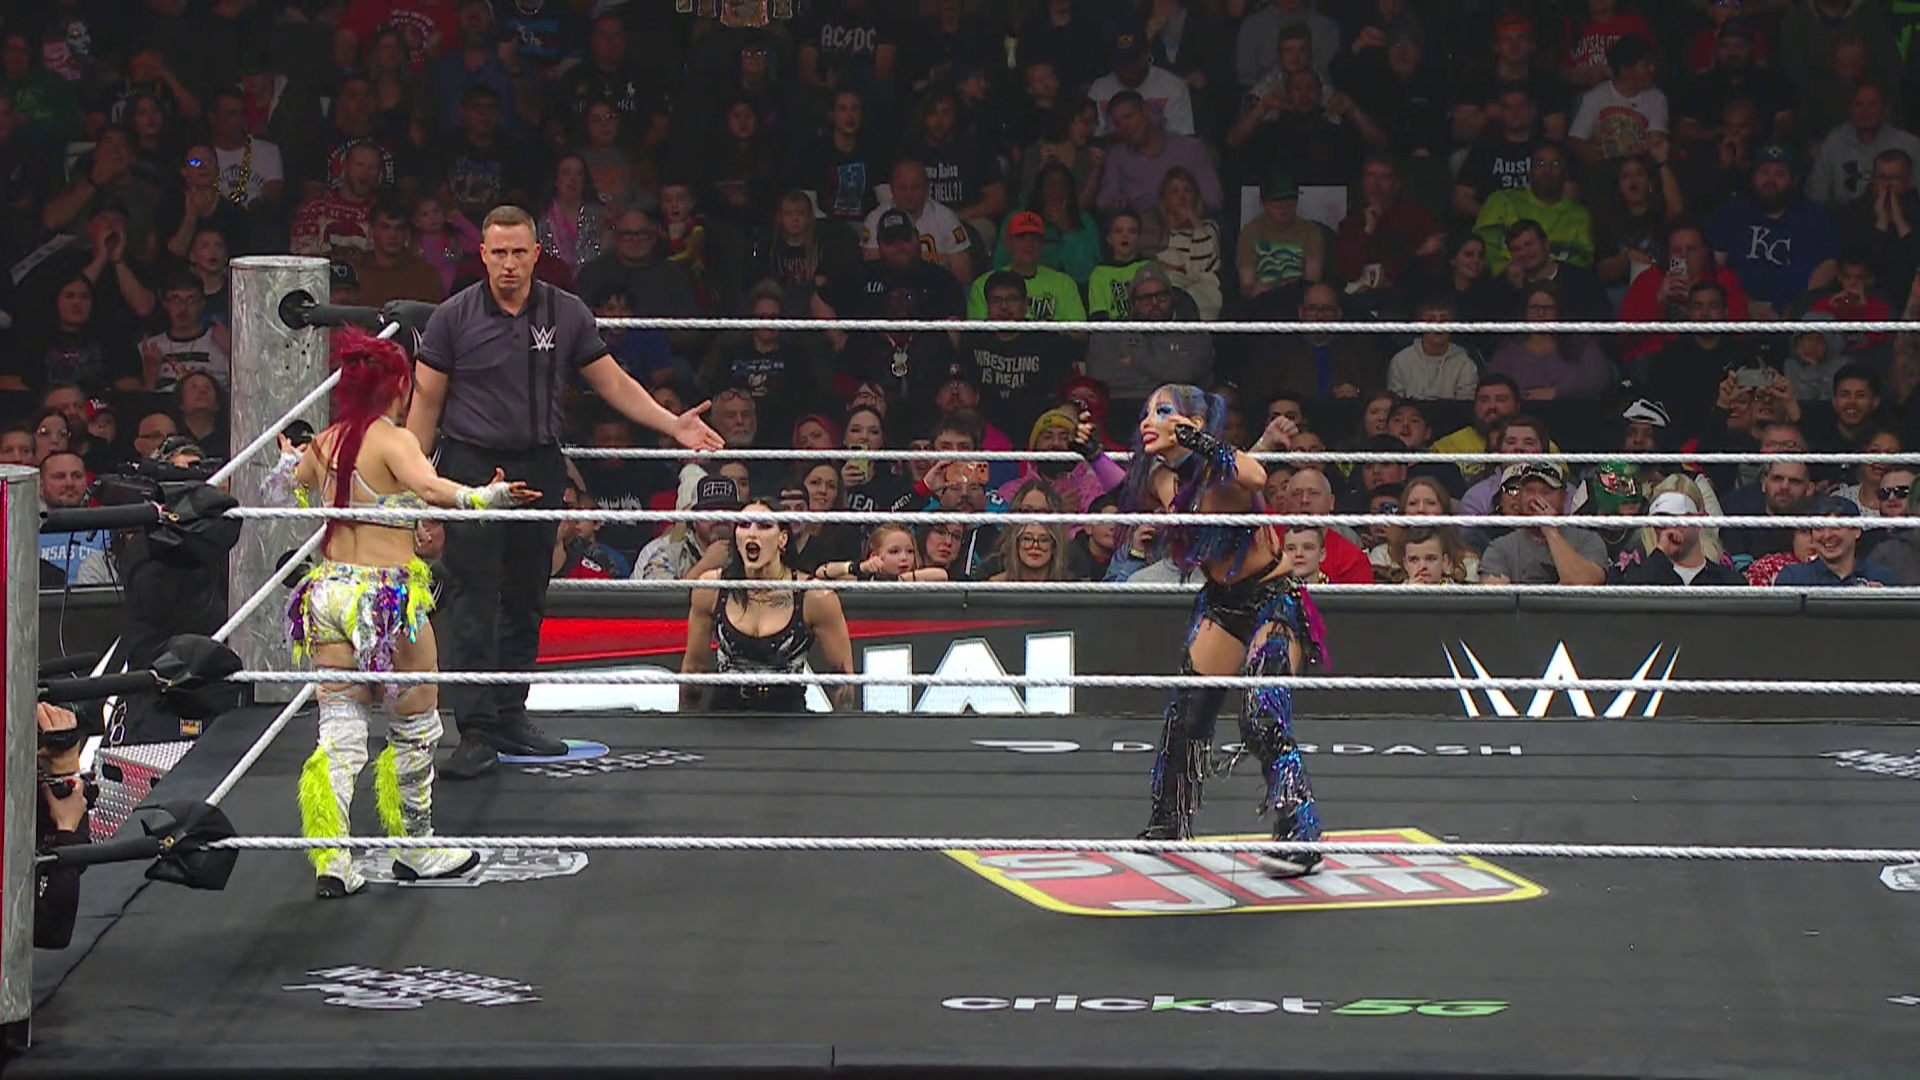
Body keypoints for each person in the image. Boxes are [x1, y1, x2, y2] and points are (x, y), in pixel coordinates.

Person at [405, 205, 724, 780]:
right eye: (498, 253)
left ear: (536, 254)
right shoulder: (453, 317)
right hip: (471, 466)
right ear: (483, 255)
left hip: (539, 464)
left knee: (527, 593)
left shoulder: (565, 311)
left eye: (518, 252)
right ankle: (474, 730)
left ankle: (510, 715)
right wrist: (415, 484)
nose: (508, 264)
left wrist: (671, 424)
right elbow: (425, 403)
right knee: (473, 596)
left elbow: (612, 382)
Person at [267, 327, 540, 899]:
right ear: (398, 386)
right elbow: (434, 489)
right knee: (415, 726)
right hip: (385, 600)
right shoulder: (393, 441)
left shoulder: (328, 442)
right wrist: (488, 497)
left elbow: (294, 485)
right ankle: (414, 847)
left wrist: (292, 457)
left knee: (339, 732)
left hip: (329, 594)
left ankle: (332, 859)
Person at [1121, 384, 1327, 878]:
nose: (1149, 420)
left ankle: (1301, 834)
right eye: (1146, 411)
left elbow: (1255, 474)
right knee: (1186, 715)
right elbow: (1124, 481)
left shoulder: (1227, 474)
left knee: (1261, 717)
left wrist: (1197, 439)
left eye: (1163, 411)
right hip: (1221, 603)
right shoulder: (1166, 477)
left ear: (1192, 424)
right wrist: (1090, 455)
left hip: (1271, 601)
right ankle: (1169, 821)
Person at [681, 500, 856, 714]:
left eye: (764, 526)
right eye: (744, 525)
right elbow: (694, 668)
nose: (752, 533)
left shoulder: (815, 596)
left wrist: (843, 731)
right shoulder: (712, 588)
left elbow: (843, 680)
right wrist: (683, 726)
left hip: (787, 716)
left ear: (782, 539)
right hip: (726, 714)